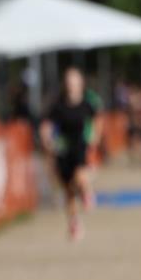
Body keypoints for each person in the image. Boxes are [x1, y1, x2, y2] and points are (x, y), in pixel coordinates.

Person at [40, 67, 100, 241]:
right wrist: (47, 140)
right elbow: (47, 125)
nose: (71, 85)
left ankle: (86, 192)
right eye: (68, 81)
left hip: (80, 147)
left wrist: (94, 136)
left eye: (74, 81)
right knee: (68, 191)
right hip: (63, 150)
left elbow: (97, 118)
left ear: (80, 83)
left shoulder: (86, 103)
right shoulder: (58, 105)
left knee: (80, 176)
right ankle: (74, 223)